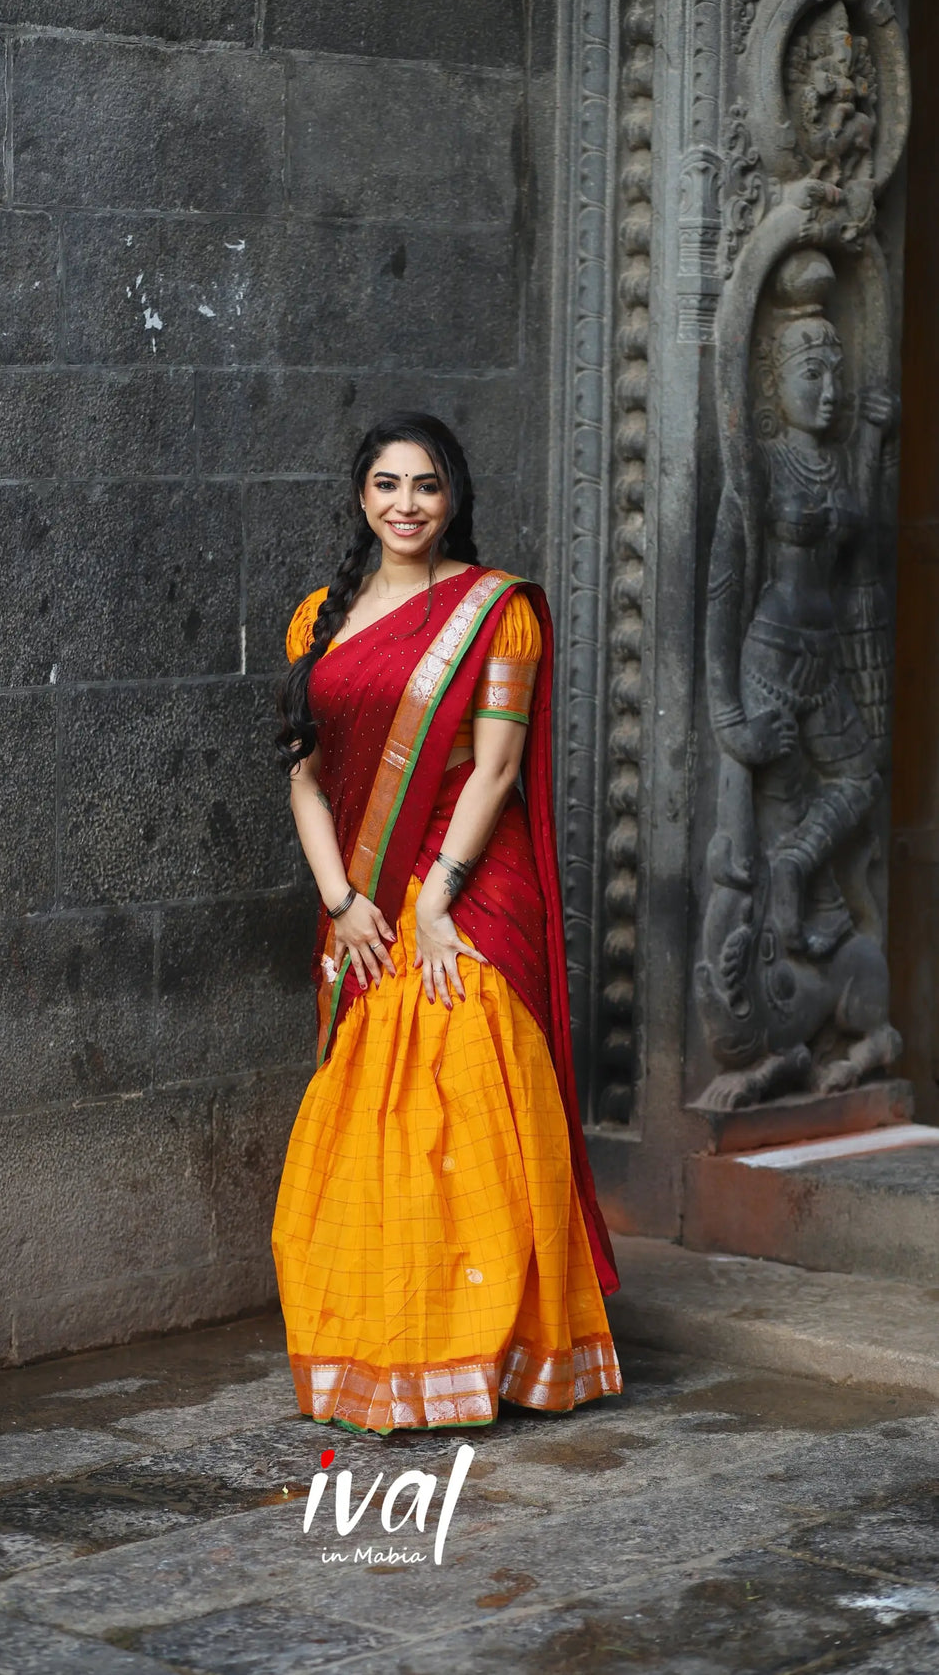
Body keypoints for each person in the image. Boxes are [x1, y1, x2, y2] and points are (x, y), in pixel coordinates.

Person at [272, 412, 621, 1436]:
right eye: (386, 484)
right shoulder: (315, 620)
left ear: (452, 496)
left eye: (425, 486)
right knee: (363, 1113)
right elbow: (301, 778)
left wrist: (432, 897)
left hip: (466, 870)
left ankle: (490, 1347)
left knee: (459, 1067)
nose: (405, 505)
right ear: (360, 497)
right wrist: (343, 899)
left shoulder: (493, 611)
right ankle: (389, 1342)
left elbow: (499, 766)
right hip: (361, 882)